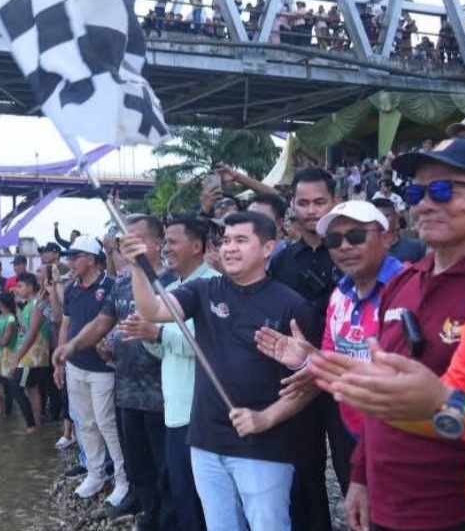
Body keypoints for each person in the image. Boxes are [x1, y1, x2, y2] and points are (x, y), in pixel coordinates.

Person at [306, 126, 465, 531]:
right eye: (417, 194)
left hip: (457, 511)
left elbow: (447, 403)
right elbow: (415, 399)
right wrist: (361, 471)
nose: (426, 205)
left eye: (445, 190)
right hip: (393, 503)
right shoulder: (421, 283)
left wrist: (444, 404)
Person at [122, 211, 319, 531]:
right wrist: (136, 268)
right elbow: (153, 310)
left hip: (264, 446)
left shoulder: (292, 305)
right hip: (206, 442)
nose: (229, 248)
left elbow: (309, 385)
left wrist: (264, 418)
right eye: (225, 240)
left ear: (268, 248)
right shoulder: (204, 290)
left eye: (241, 240)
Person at [255, 201, 406, 443]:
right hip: (353, 429)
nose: (344, 246)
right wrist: (308, 360)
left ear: (386, 237)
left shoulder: (409, 289)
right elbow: (331, 363)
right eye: (334, 240)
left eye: (355, 236)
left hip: (401, 434)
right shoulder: (340, 296)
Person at [55, 215, 172, 523]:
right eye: (124, 240)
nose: (127, 244)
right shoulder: (121, 283)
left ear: (158, 244)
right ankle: (149, 514)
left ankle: (168, 519)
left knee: (166, 466)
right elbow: (101, 323)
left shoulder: (173, 282)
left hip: (165, 396)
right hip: (127, 389)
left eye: (136, 238)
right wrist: (72, 346)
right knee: (138, 463)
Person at [117, 215, 219, 531]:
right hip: (174, 408)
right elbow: (163, 348)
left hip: (199, 411)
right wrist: (147, 334)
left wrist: (157, 334)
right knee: (178, 491)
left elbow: (205, 346)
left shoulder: (214, 284)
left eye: (174, 242)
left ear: (197, 245)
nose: (167, 250)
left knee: (200, 501)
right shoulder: (175, 289)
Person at [268, 167, 344, 531]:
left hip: (346, 378)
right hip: (298, 380)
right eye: (303, 203)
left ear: (335, 202)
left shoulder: (351, 249)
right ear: (292, 207)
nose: (312, 210)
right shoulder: (281, 261)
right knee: (305, 470)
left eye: (319, 202)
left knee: (355, 469)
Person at [53, 236, 124, 501]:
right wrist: (60, 359)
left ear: (92, 258)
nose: (70, 261)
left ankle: (122, 478)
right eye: (69, 257)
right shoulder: (71, 289)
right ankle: (95, 473)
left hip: (103, 368)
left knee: (108, 424)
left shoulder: (111, 286)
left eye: (75, 256)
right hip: (75, 365)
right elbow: (65, 325)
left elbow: (116, 323)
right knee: (85, 423)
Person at [11, 272, 53, 434]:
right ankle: (37, 424)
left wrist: (17, 356)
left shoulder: (36, 304)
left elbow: (32, 333)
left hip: (31, 355)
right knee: (32, 388)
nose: (18, 289)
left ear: (29, 287)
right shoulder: (29, 305)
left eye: (20, 286)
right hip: (31, 354)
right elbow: (25, 329)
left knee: (15, 386)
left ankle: (31, 425)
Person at [371, 197, 427, 264]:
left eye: (385, 216)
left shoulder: (416, 248)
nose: (381, 221)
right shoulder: (365, 251)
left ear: (397, 219)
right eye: (376, 217)